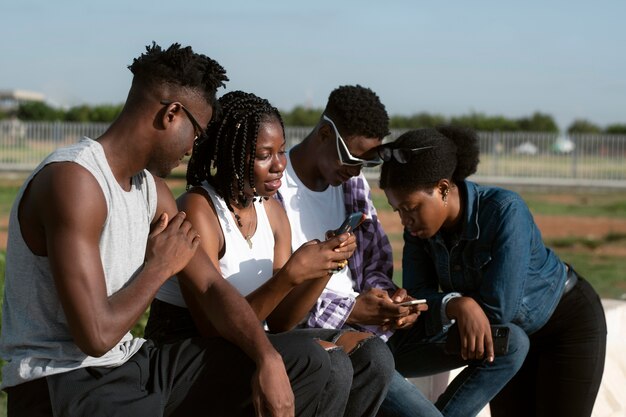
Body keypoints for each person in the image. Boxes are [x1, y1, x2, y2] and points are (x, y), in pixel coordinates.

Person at [0, 43, 331, 417]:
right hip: (63, 382)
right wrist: (157, 267)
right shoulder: (74, 181)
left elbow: (211, 287)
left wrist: (267, 356)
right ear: (172, 113)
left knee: (304, 360)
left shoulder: (153, 191)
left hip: (130, 364)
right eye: (197, 132)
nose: (194, 147)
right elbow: (94, 336)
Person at [145, 90, 395, 417]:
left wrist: (324, 267)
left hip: (247, 343)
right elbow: (212, 328)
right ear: (233, 154)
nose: (279, 165)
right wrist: (290, 275)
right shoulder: (199, 209)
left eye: (282, 151)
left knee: (372, 357)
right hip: (189, 353)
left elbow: (280, 323)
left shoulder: (273, 214)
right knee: (329, 362)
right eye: (265, 154)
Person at [379, 125, 607, 417]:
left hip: (565, 326)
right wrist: (454, 304)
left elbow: (499, 309)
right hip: (507, 339)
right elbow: (418, 298)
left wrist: (452, 306)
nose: (405, 220)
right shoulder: (419, 231)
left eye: (411, 208)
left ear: (443, 189)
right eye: (397, 210)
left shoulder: (504, 211)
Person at [275, 84, 443, 417]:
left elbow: (376, 260)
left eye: (365, 164)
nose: (355, 171)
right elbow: (276, 293)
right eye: (352, 159)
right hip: (310, 335)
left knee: (497, 340)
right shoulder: (275, 185)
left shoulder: (351, 184)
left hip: (367, 331)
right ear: (324, 133)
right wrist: (351, 311)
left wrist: (388, 299)